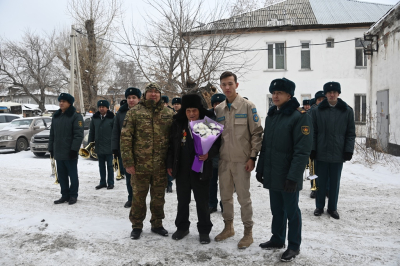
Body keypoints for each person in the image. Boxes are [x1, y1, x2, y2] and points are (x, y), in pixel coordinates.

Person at [255, 78, 313, 262]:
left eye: (279, 93)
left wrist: (294, 177)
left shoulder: (300, 116)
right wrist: (261, 167)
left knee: (291, 211)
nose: (275, 96)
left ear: (289, 95)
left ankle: (294, 245)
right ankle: (277, 238)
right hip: (273, 172)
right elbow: (266, 145)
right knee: (277, 209)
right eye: (273, 93)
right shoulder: (272, 115)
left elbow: (302, 150)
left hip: (289, 175)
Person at [214, 71, 263, 249]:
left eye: (230, 84)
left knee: (244, 198)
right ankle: (229, 227)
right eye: (224, 84)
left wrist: (252, 157)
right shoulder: (218, 109)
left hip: (242, 162)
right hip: (224, 161)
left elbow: (257, 133)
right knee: (225, 197)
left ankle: (248, 233)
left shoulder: (248, 106)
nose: (227, 87)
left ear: (236, 85)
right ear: (220, 86)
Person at [120, 82, 174, 240]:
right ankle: (136, 225)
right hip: (139, 166)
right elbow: (125, 139)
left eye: (156, 92)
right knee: (138, 197)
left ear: (160, 94)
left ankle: (157, 223)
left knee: (158, 197)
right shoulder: (134, 112)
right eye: (150, 92)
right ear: (145, 94)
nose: (153, 94)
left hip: (160, 166)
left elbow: (174, 139)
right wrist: (128, 162)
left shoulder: (168, 113)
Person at [167, 94, 220, 244]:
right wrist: (170, 164)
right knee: (182, 201)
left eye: (194, 110)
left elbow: (217, 145)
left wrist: (209, 154)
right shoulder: (178, 123)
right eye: (188, 110)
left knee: (202, 201)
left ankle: (204, 230)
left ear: (199, 110)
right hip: (182, 169)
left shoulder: (207, 123)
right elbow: (171, 145)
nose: (191, 114)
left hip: (201, 169)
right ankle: (182, 227)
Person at [311, 82, 355, 220]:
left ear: (338, 94)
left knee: (335, 182)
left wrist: (348, 150)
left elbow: (350, 133)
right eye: (329, 92)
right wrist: (312, 149)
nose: (332, 94)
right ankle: (319, 206)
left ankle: (332, 208)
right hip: (321, 152)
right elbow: (313, 132)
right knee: (320, 182)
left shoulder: (347, 111)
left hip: (338, 152)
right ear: (325, 94)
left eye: (334, 92)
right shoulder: (317, 111)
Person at [49, 93, 84, 205]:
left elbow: (78, 135)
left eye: (64, 101)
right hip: (59, 152)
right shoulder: (56, 116)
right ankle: (64, 195)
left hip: (70, 152)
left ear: (69, 103)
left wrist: (74, 150)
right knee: (62, 175)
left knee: (72, 175)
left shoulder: (75, 116)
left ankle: (73, 195)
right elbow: (52, 134)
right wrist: (51, 148)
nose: (61, 103)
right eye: (60, 101)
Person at [112, 87, 141, 208]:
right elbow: (115, 131)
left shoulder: (144, 112)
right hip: (127, 151)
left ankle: (140, 199)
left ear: (139, 99)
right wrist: (115, 148)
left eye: (134, 97)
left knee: (142, 178)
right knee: (129, 176)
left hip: (142, 151)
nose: (131, 100)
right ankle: (131, 198)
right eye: (129, 98)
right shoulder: (121, 113)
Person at [89, 100, 115, 190]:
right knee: (101, 166)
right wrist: (90, 144)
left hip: (109, 146)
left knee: (110, 166)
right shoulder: (95, 118)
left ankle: (111, 183)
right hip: (99, 146)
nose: (101, 108)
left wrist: (115, 145)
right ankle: (102, 182)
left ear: (107, 108)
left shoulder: (112, 118)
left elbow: (115, 132)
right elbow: (91, 131)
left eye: (103, 107)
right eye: (100, 107)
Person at [208, 93, 226, 214]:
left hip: (226, 155)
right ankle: (212, 204)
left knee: (225, 184)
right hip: (212, 156)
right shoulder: (208, 117)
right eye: (215, 104)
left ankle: (224, 204)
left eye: (220, 103)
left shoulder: (230, 116)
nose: (218, 106)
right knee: (211, 182)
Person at [309, 90, 327, 198]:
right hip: (313, 144)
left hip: (324, 145)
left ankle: (326, 189)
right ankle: (313, 187)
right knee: (312, 170)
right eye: (319, 100)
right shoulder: (312, 111)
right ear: (316, 101)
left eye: (323, 99)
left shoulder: (328, 111)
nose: (321, 101)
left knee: (325, 171)